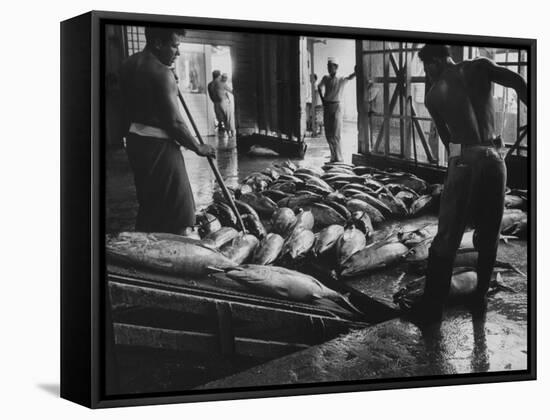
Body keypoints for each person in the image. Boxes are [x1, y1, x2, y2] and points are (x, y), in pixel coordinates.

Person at [411, 44, 527, 321]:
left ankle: (432, 307)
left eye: (427, 67)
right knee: (489, 233)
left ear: (435, 61)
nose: (427, 74)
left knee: (447, 236)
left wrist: (456, 170)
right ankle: (479, 298)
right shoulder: (480, 66)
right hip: (495, 159)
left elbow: (447, 139)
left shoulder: (433, 95)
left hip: (464, 158)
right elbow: (519, 81)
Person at [119, 26, 216, 235]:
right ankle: (178, 251)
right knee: (180, 209)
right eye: (175, 46)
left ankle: (149, 244)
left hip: (136, 142)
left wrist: (168, 83)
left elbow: (137, 101)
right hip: (160, 145)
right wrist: (198, 147)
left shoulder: (127, 65)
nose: (178, 53)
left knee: (150, 200)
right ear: (157, 43)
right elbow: (174, 123)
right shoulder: (162, 73)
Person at [317, 58, 356, 162]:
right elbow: (319, 87)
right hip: (327, 106)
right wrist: (323, 100)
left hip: (337, 107)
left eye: (331, 66)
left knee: (336, 132)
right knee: (328, 133)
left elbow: (350, 77)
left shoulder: (340, 79)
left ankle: (339, 157)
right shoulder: (325, 78)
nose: (329, 68)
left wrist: (356, 72)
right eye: (328, 66)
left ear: (336, 67)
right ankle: (332, 155)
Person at [207, 70, 234, 137]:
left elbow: (211, 96)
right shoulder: (221, 82)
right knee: (229, 118)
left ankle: (228, 134)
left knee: (223, 120)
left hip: (216, 104)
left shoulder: (210, 84)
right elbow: (231, 91)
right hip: (224, 102)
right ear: (219, 76)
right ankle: (233, 134)